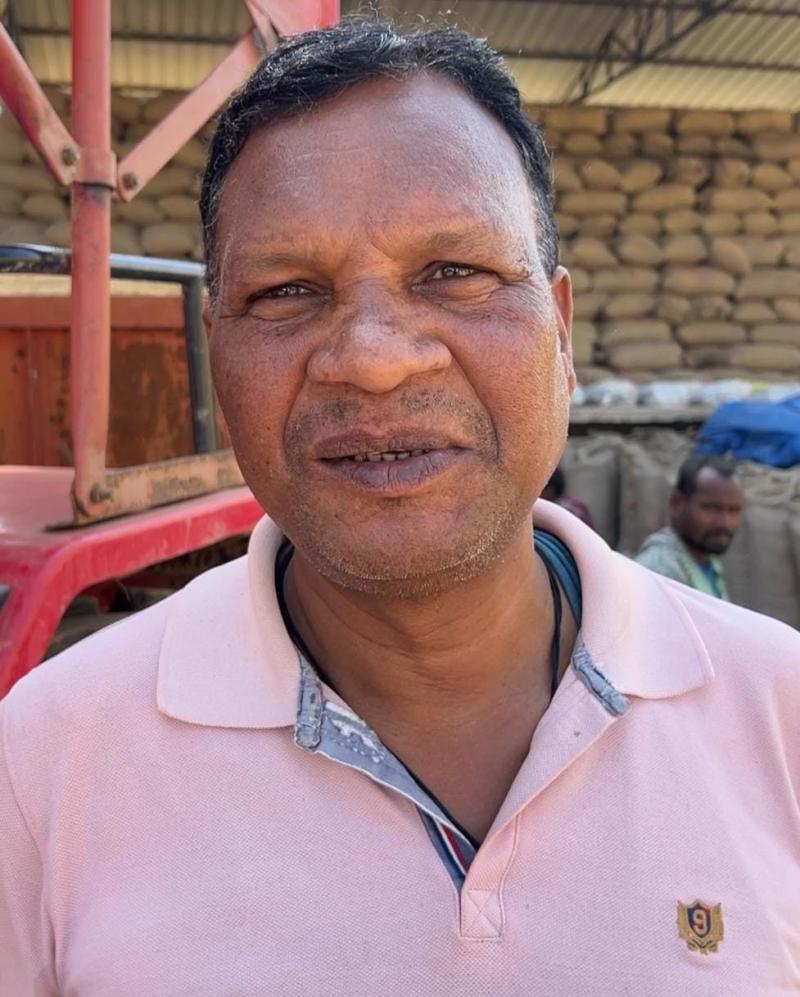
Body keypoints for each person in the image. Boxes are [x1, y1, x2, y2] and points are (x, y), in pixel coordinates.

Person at [2, 22, 798, 995]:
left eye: (454, 273)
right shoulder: (48, 762)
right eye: (288, 290)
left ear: (559, 331)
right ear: (217, 358)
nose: (375, 359)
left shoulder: (778, 714)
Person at [635, 453, 744, 601]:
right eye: (711, 508)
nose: (724, 522)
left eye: (734, 510)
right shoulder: (661, 569)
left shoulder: (707, 562)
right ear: (677, 503)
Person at [541, 464, 595, 528]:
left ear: (550, 489)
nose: (539, 495)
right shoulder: (574, 504)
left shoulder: (568, 509)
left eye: (541, 489)